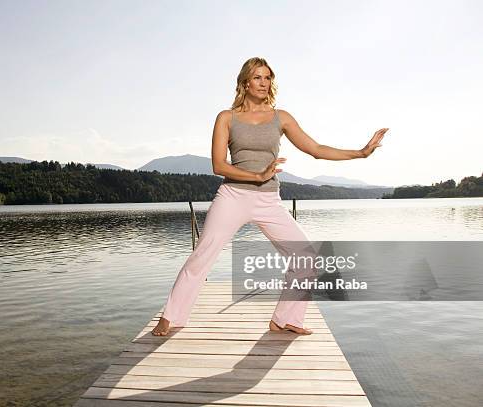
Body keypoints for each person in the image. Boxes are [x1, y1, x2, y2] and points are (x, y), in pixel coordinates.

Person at [151, 57, 387, 336]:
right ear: (245, 82)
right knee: (203, 254)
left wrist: (359, 153)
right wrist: (256, 176)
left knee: (307, 258)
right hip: (233, 196)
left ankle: (285, 319)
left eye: (268, 78)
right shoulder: (226, 117)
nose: (264, 83)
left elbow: (315, 148)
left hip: (268, 200)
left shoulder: (281, 117)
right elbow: (218, 165)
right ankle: (172, 316)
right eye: (258, 77)